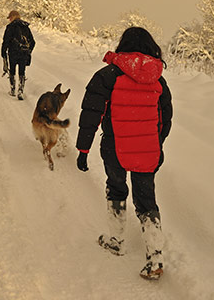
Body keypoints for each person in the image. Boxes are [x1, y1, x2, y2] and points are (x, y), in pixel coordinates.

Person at [75, 26, 173, 280]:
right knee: (146, 201)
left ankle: (116, 241)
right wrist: (155, 143)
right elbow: (165, 119)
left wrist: (83, 149)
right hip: (147, 150)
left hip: (114, 148)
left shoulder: (108, 75)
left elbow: (91, 114)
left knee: (116, 189)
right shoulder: (158, 79)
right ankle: (155, 257)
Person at [1, 10, 35, 100]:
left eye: (10, 17)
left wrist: (3, 52)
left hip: (13, 53)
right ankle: (20, 91)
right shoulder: (26, 27)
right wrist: (28, 51)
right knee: (22, 72)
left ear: (14, 16)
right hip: (24, 53)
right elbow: (33, 42)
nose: (9, 20)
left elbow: (6, 41)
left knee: (12, 70)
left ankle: (12, 90)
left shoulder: (10, 27)